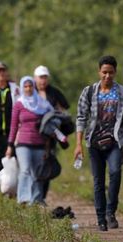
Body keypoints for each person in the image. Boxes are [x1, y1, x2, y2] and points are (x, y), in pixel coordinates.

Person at [74, 56, 123, 231]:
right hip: (94, 142)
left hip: (114, 141)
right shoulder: (90, 91)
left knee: (115, 173)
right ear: (99, 72)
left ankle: (110, 212)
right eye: (104, 72)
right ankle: (101, 219)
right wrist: (78, 144)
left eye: (111, 72)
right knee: (98, 181)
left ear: (115, 73)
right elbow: (81, 118)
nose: (107, 76)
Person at [5, 76, 53, 205]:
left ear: (34, 87)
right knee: (25, 170)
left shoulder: (42, 104)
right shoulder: (19, 104)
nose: (28, 89)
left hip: (39, 143)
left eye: (30, 86)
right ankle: (23, 199)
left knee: (37, 173)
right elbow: (14, 126)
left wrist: (48, 145)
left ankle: (36, 199)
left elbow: (49, 124)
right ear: (22, 88)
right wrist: (10, 145)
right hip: (23, 143)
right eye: (25, 86)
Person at [34, 65, 71, 200]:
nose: (43, 80)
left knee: (48, 163)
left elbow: (65, 107)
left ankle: (42, 197)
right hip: (34, 134)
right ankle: (34, 196)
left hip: (50, 136)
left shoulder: (54, 92)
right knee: (34, 164)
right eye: (40, 77)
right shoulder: (30, 91)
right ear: (35, 78)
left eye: (45, 77)